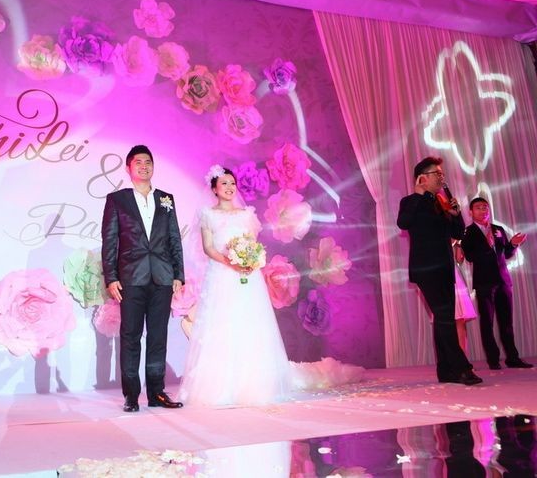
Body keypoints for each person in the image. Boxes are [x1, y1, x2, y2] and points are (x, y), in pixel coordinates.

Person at [179, 166, 362, 406]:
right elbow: (209, 248)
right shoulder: (208, 214)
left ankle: (254, 384)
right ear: (214, 189)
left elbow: (251, 244)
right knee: (222, 324)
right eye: (223, 184)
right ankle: (220, 386)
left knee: (249, 324)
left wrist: (249, 260)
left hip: (247, 276)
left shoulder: (246, 214)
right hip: (221, 275)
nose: (229, 187)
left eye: (232, 183)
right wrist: (231, 262)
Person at [101, 145, 185, 412]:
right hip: (131, 277)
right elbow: (110, 241)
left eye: (148, 162)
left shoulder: (166, 199)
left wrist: (178, 274)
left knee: (158, 337)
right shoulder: (117, 200)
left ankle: (157, 392)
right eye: (138, 162)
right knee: (131, 337)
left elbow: (174, 238)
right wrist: (111, 277)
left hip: (162, 276)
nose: (144, 166)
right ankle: (131, 395)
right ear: (129, 168)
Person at [396, 156, 481, 385]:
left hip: (445, 269)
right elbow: (403, 223)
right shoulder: (410, 201)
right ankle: (462, 368)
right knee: (444, 317)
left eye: (442, 174)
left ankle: (446, 371)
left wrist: (456, 214)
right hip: (426, 269)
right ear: (422, 178)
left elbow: (458, 233)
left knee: (444, 319)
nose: (442, 178)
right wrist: (419, 194)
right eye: (437, 174)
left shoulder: (441, 203)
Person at [460, 197, 531, 370]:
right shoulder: (468, 232)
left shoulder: (498, 229)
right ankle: (493, 360)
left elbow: (506, 254)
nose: (483, 210)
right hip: (484, 282)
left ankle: (512, 358)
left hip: (503, 281)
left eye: (485, 207)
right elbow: (469, 257)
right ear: (471, 212)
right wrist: (487, 245)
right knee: (487, 322)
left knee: (506, 322)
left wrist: (513, 245)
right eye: (478, 207)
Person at [452, 243, 477, 354]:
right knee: (446, 322)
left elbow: (459, 260)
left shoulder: (454, 238)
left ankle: (463, 357)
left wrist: (458, 245)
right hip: (442, 276)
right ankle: (450, 359)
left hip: (455, 278)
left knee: (460, 320)